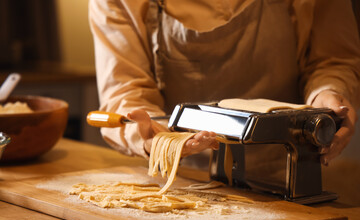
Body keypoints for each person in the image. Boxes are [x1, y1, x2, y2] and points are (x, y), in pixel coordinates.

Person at [89, 0, 360, 166]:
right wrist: (155, 139)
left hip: (289, 169)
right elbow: (125, 90)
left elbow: (333, 59)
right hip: (181, 178)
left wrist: (328, 93)